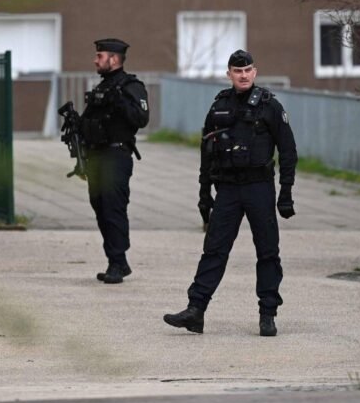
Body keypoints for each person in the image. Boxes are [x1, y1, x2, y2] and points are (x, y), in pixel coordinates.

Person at [163, 49, 297, 336]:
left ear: (255, 72)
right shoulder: (219, 106)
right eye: (238, 71)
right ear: (229, 75)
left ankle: (267, 313)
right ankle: (195, 310)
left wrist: (286, 192)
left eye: (248, 69)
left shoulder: (270, 106)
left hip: (259, 187)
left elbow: (288, 150)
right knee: (214, 249)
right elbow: (206, 152)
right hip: (227, 188)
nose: (244, 75)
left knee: (267, 251)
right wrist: (203, 193)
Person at [80, 38, 149, 284]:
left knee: (113, 208)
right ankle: (116, 260)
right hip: (97, 156)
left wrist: (119, 100)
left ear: (114, 59)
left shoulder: (131, 86)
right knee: (99, 206)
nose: (95, 60)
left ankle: (117, 262)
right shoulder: (102, 87)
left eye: (100, 56)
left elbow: (141, 118)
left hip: (116, 155)